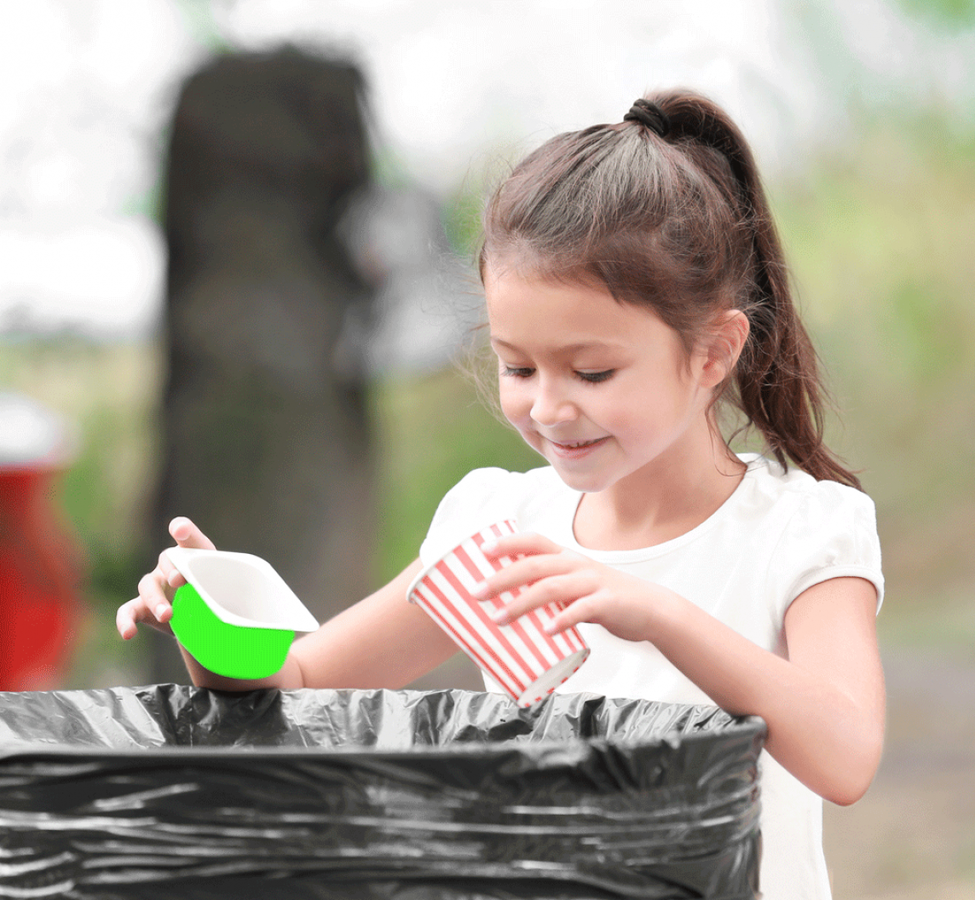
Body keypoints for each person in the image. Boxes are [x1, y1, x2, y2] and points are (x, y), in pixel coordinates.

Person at [117, 89, 886, 899]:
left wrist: (656, 614)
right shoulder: (501, 529)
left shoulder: (802, 530)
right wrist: (214, 617)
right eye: (519, 367)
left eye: (593, 372)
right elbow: (300, 689)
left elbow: (846, 756)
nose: (548, 407)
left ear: (713, 351)